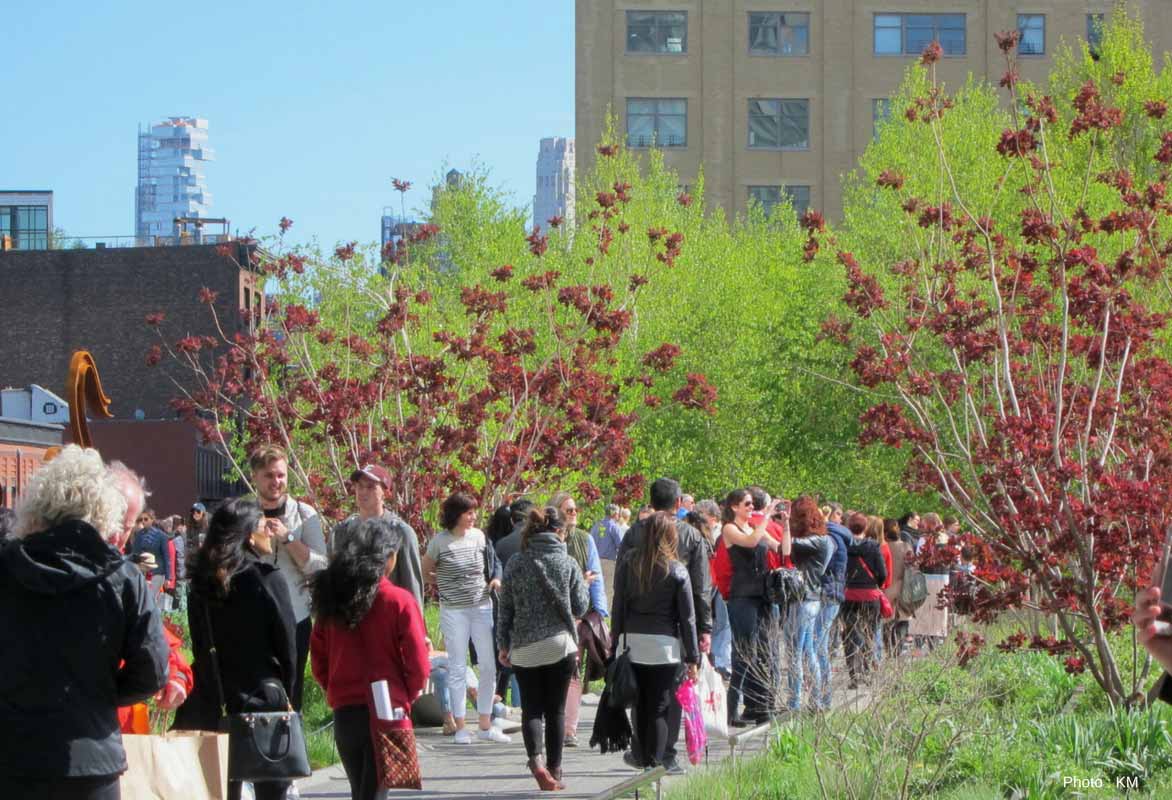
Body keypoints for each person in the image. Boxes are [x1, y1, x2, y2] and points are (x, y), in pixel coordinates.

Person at [0, 445, 169, 800]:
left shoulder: (7, 568)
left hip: (15, 754)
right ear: (104, 510)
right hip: (92, 757)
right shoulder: (123, 577)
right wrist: (102, 694)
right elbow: (152, 669)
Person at [174, 498, 298, 800]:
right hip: (262, 699)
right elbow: (289, 651)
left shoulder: (201, 585)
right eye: (262, 525)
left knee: (220, 789)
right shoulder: (266, 579)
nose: (269, 530)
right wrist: (289, 697)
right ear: (247, 534)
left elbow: (202, 646)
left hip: (215, 700)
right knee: (273, 790)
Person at [310, 517, 430, 800]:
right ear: (387, 557)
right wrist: (409, 693)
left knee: (360, 789)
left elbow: (319, 658)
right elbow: (417, 661)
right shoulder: (398, 601)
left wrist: (333, 686)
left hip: (344, 709)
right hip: (387, 708)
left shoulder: (332, 600)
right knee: (375, 791)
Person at [616, 478, 712, 771]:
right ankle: (665, 753)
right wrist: (703, 629)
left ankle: (642, 749)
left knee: (640, 693)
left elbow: (620, 594)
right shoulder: (691, 537)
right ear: (679, 503)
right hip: (674, 628)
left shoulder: (633, 534)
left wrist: (616, 635)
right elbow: (700, 588)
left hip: (635, 629)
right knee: (668, 693)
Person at [497, 506, 589, 791]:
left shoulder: (515, 562)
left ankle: (536, 761)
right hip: (560, 645)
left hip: (524, 646)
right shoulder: (568, 563)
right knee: (556, 710)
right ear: (560, 533)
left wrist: (504, 645)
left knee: (532, 709)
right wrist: (583, 584)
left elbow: (505, 609)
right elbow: (581, 606)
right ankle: (556, 769)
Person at [106, 464, 193, 735]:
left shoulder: (122, 574)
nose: (119, 537)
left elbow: (156, 638)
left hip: (118, 727)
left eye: (128, 527)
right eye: (116, 524)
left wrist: (176, 673)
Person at [422, 492, 510, 744]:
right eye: (468, 512)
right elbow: (425, 568)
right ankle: (461, 726)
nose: (473, 517)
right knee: (458, 666)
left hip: (481, 606)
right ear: (456, 515)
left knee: (488, 665)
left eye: (474, 512)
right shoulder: (440, 542)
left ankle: (485, 723)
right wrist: (440, 584)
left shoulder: (480, 537)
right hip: (453, 611)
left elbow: (494, 564)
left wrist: (495, 579)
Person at [248, 444, 328, 711]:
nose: (276, 482)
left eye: (281, 475)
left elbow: (320, 566)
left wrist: (288, 538)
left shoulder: (305, 515)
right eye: (269, 475)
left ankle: (291, 745)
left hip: (294, 616)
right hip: (253, 615)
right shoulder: (242, 513)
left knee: (291, 689)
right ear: (255, 477)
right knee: (253, 687)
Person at [547, 491, 606, 748]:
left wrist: (600, 612)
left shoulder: (584, 539)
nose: (573, 514)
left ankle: (569, 729)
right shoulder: (545, 540)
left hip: (580, 615)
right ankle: (554, 722)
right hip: (551, 616)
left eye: (575, 510)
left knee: (574, 669)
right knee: (552, 671)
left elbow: (597, 576)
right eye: (568, 510)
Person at [720, 488, 781, 727]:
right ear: (735, 506)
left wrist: (785, 525)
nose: (751, 507)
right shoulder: (730, 529)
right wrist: (765, 516)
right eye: (747, 504)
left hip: (762, 595)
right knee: (744, 653)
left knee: (764, 651)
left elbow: (779, 548)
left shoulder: (754, 527)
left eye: (752, 504)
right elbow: (751, 541)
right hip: (742, 596)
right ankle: (732, 708)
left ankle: (761, 706)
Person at [331, 463, 424, 612]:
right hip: (350, 620)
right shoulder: (341, 532)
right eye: (359, 486)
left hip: (388, 618)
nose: (363, 491)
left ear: (385, 493)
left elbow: (412, 587)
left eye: (371, 487)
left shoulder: (401, 532)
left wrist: (417, 629)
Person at [785, 497, 834, 712]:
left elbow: (785, 548)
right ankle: (818, 698)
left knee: (797, 652)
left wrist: (783, 525)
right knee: (810, 651)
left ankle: (796, 700)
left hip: (803, 599)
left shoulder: (815, 541)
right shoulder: (825, 540)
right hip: (813, 598)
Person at [842, 515, 888, 689]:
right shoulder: (873, 547)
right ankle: (867, 671)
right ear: (865, 527)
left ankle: (854, 675)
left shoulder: (844, 546)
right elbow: (882, 573)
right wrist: (877, 583)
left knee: (850, 635)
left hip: (850, 595)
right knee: (870, 632)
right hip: (870, 595)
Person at [687, 500, 731, 677]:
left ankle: (716, 661)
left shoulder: (712, 539)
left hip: (711, 587)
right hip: (710, 587)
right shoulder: (707, 540)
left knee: (720, 624)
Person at [818, 503, 853, 708]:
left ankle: (824, 693)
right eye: (838, 514)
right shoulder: (842, 536)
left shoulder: (830, 536)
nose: (840, 517)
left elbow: (824, 567)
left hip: (826, 589)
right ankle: (824, 691)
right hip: (835, 590)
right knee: (825, 642)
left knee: (819, 643)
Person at [883, 518, 914, 656]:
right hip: (903, 588)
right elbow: (913, 569)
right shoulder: (906, 546)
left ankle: (890, 650)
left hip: (887, 588)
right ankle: (898, 651)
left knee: (886, 623)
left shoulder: (883, 547)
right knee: (902, 622)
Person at [591, 502, 625, 609]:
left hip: (595, 562)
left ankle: (595, 610)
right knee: (608, 589)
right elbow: (622, 545)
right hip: (609, 562)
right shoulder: (614, 526)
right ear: (614, 514)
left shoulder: (597, 525)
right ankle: (606, 614)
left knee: (596, 588)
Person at [131, 508, 172, 597]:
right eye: (141, 519)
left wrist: (168, 577)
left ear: (152, 519)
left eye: (146, 519)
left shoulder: (161, 536)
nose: (143, 521)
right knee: (142, 598)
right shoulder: (138, 535)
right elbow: (135, 554)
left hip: (157, 572)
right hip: (142, 572)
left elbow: (166, 557)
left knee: (151, 598)